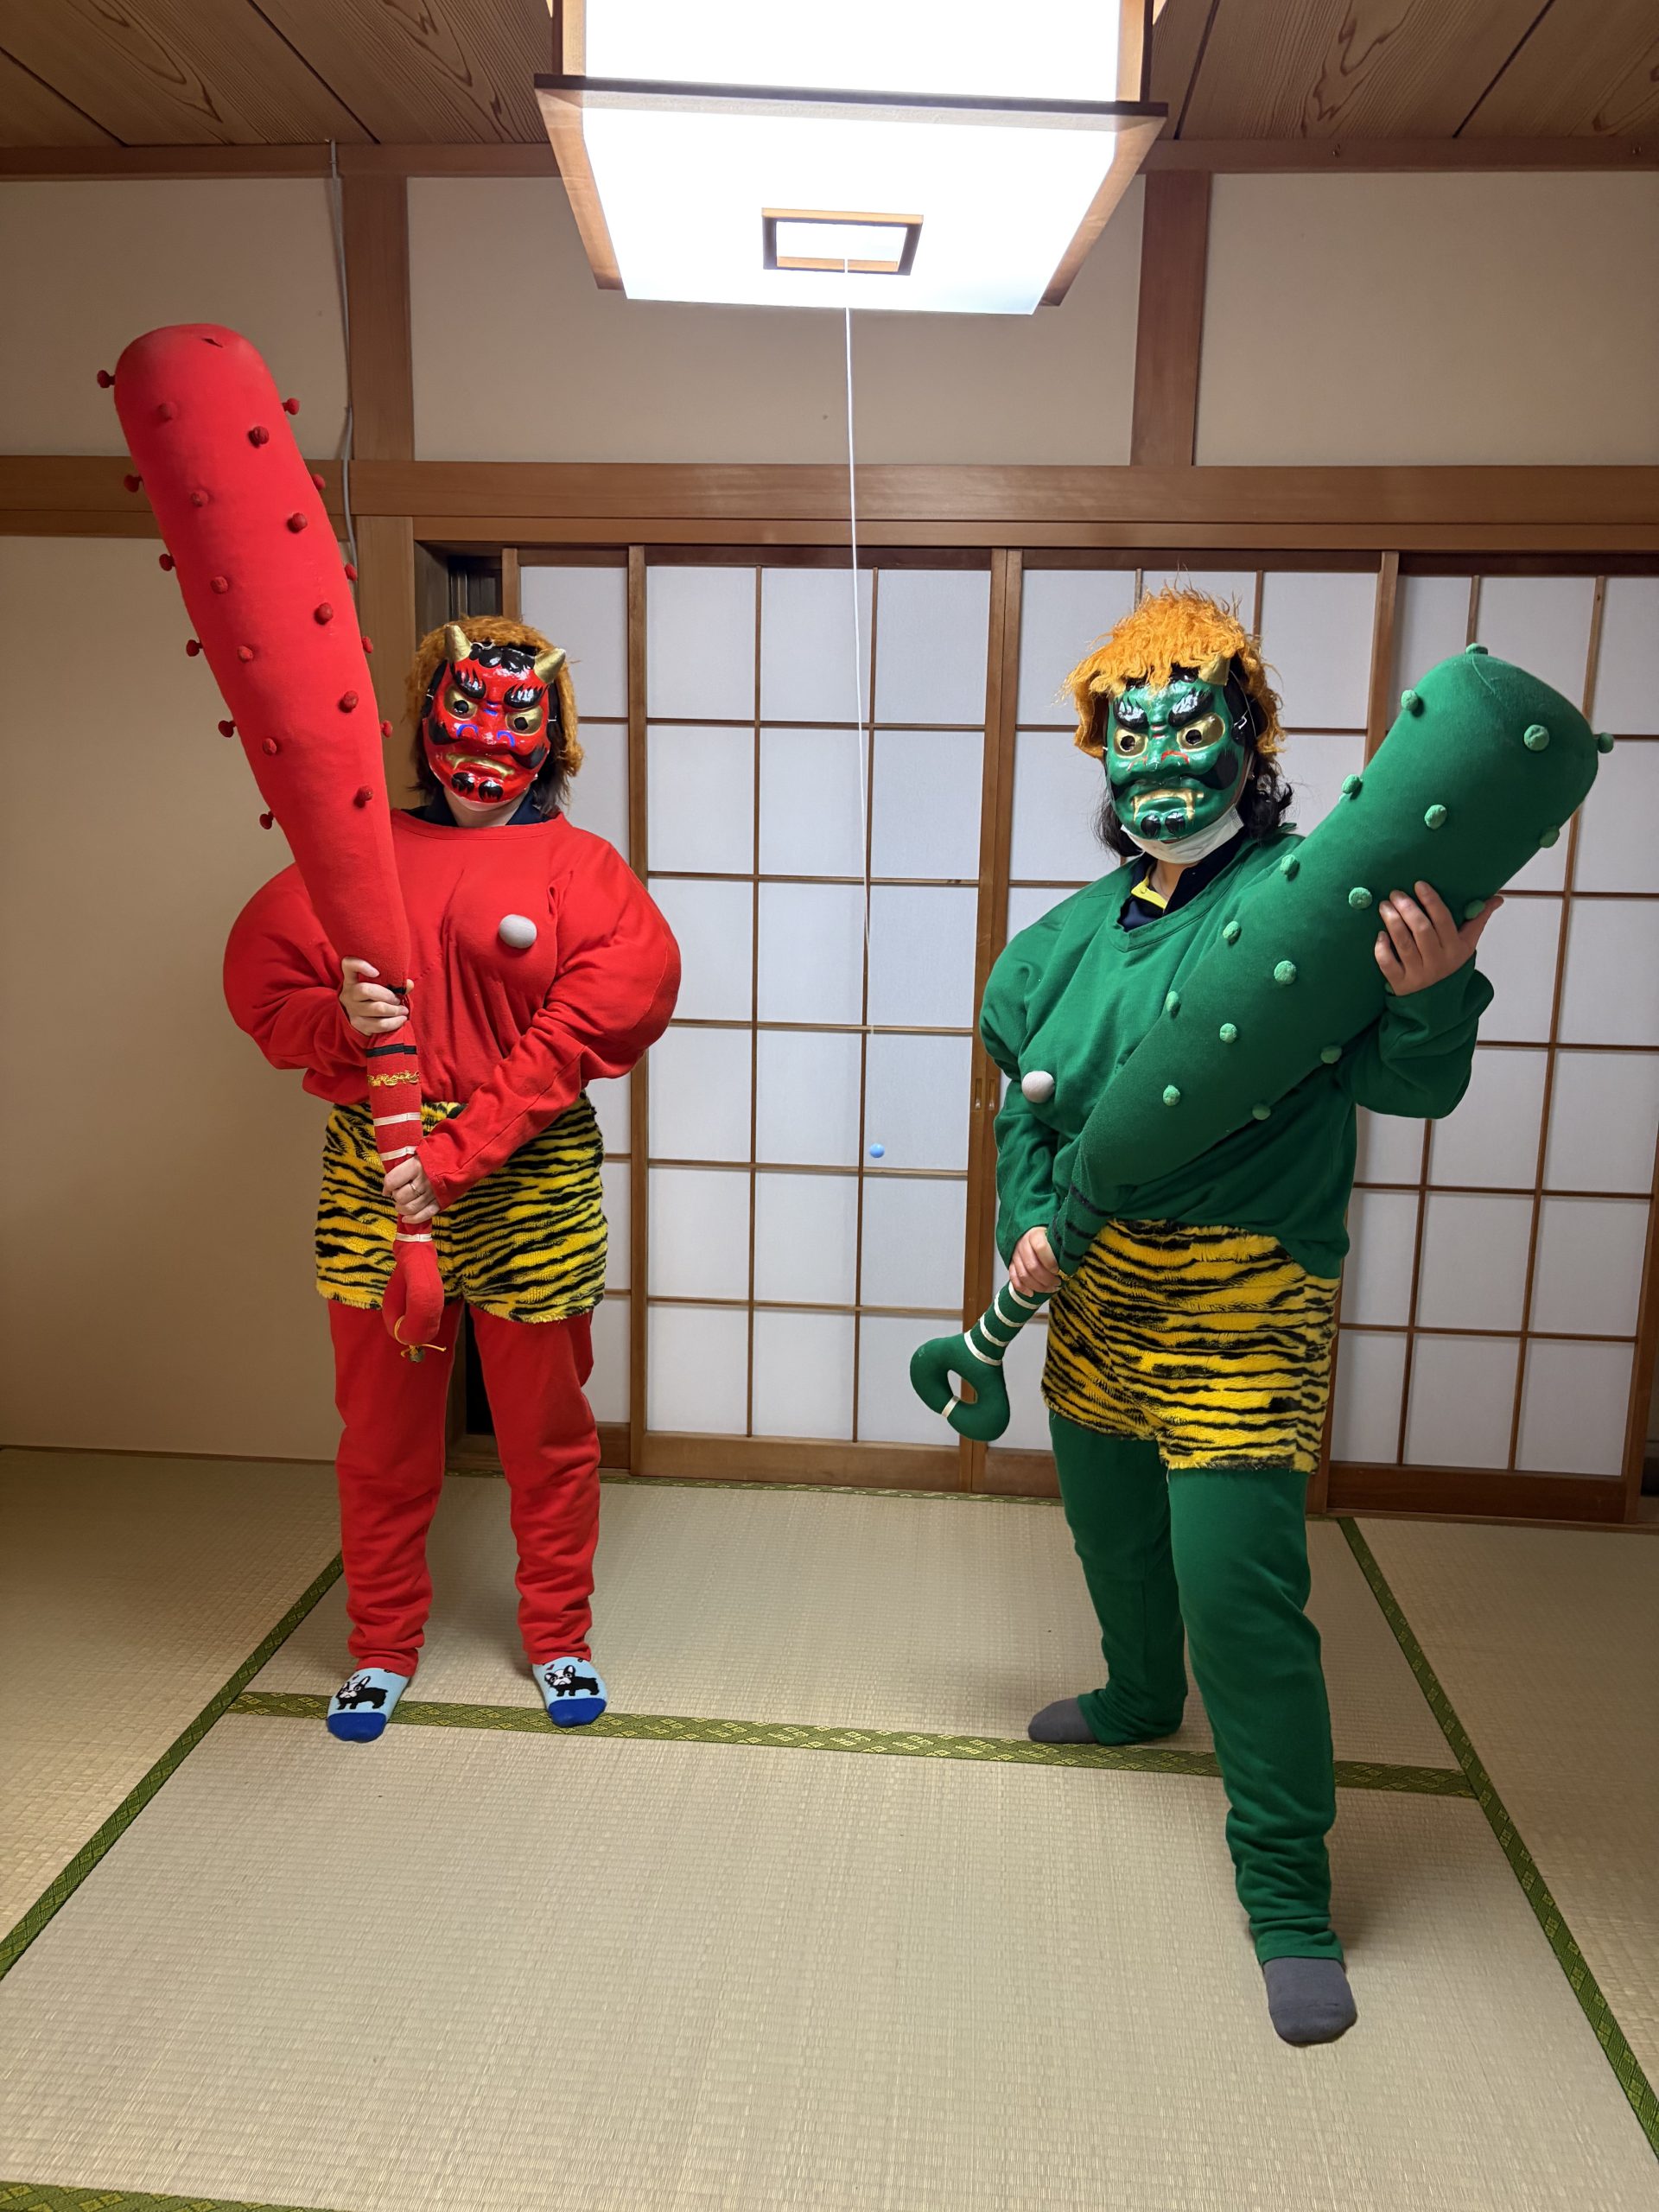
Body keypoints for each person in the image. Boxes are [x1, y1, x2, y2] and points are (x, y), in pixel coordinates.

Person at [979, 587, 1497, 2045]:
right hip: (1095, 1290)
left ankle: (1287, 1896)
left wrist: (1435, 991)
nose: (1160, 762)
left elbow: (1411, 1087)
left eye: (1189, 728)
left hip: (1246, 1295)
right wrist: (1028, 1223)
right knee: (1110, 1530)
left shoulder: (1312, 909)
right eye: (1130, 736)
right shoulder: (1061, 945)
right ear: (1100, 755)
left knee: (1242, 1596)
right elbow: (1027, 1113)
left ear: (1248, 738)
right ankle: (1138, 1697)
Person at [226, 615, 678, 1743]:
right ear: (426, 718)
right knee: (382, 1436)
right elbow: (265, 985)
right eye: (461, 714)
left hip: (528, 1175)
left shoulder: (581, 869)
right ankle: (381, 1645)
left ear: (552, 737)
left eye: (514, 722)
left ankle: (559, 1634)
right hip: (376, 1172)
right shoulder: (355, 857)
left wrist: (462, 1150)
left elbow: (606, 1009)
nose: (483, 747)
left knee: (546, 1432)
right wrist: (343, 1019)